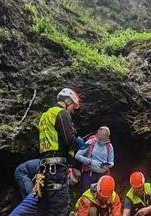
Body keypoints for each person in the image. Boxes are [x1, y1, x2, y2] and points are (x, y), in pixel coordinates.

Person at [10, 88, 85, 216]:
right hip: (57, 167)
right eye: (73, 105)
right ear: (67, 100)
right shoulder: (61, 113)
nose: (73, 109)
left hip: (45, 168)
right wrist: (78, 143)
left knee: (44, 206)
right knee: (59, 208)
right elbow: (68, 141)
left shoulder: (45, 116)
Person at [75, 126, 114, 192]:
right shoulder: (90, 142)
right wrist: (90, 162)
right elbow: (77, 155)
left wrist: (107, 165)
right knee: (87, 194)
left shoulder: (109, 146)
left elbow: (111, 162)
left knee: (103, 194)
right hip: (89, 173)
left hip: (103, 174)